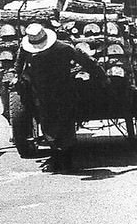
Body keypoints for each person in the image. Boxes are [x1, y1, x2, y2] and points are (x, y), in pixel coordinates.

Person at [14, 23, 108, 173]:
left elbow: (85, 60)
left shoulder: (63, 48)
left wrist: (101, 76)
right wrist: (15, 76)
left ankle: (66, 160)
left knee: (65, 125)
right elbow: (19, 63)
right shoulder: (26, 49)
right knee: (48, 125)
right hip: (42, 94)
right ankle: (57, 158)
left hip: (63, 92)